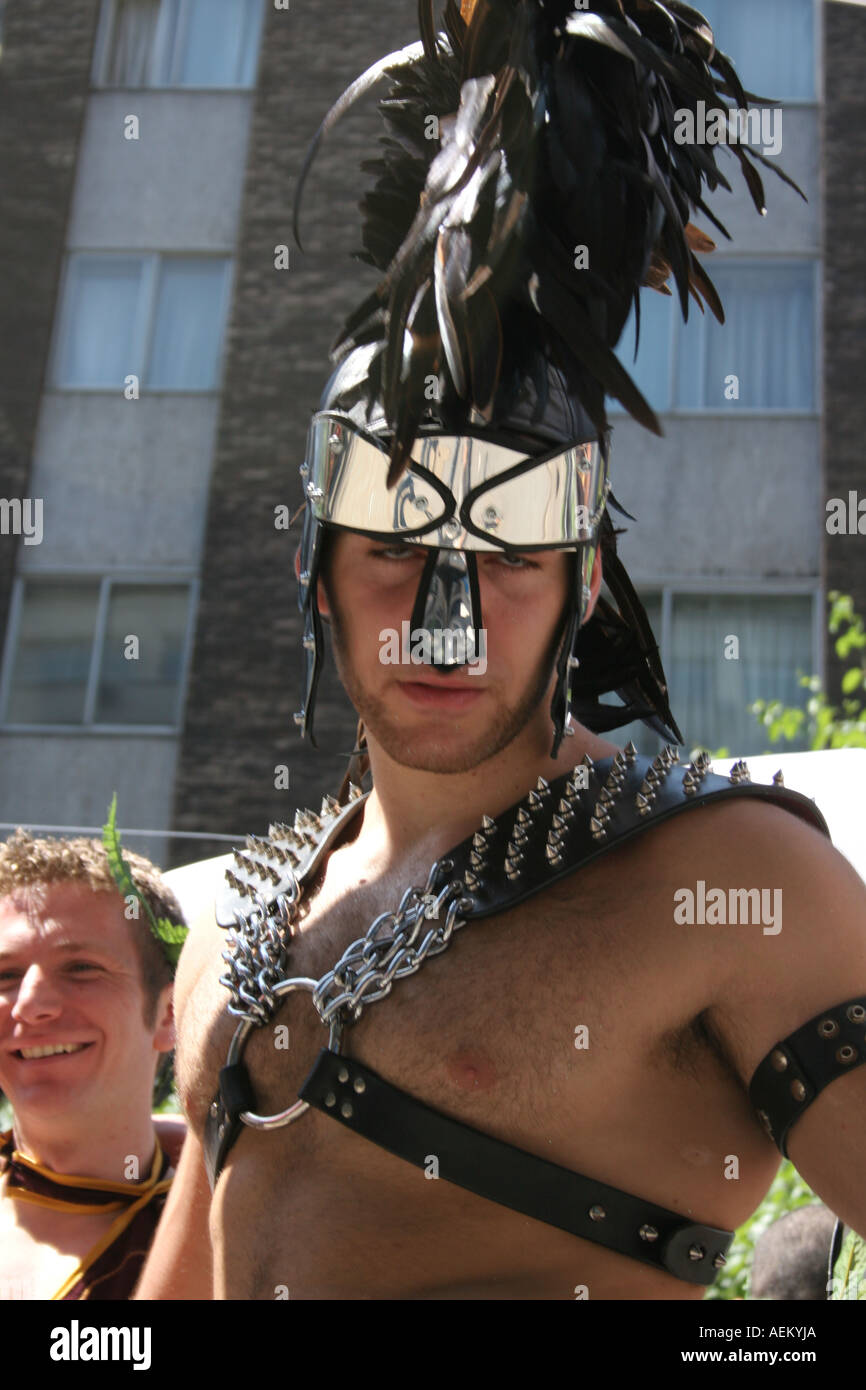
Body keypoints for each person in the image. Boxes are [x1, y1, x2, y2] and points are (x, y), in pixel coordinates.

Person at [137, 0, 866, 1301]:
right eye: (395, 545)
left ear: (584, 584)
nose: (445, 610)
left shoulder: (738, 880)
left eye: (513, 549)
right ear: (317, 570)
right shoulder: (240, 920)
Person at [0, 827, 186, 1300]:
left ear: (168, 1013)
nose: (31, 1004)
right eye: (6, 975)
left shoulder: (237, 1233)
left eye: (81, 967)